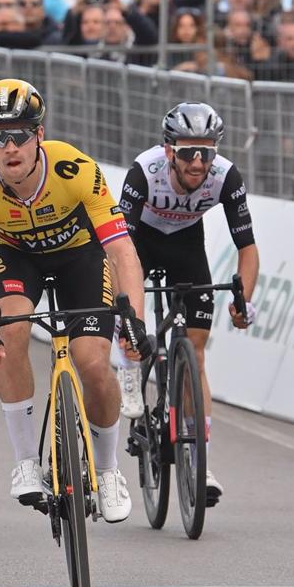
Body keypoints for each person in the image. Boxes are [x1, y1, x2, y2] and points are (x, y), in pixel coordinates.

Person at [0, 79, 149, 523]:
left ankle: (109, 468)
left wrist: (133, 316)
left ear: (39, 135)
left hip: (80, 255)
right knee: (11, 330)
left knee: (93, 361)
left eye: (20, 134)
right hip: (16, 258)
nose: (10, 147)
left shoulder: (75, 169)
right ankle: (26, 460)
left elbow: (121, 251)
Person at [116, 102, 260, 505]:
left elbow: (247, 247)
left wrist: (243, 301)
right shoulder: (144, 172)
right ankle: (128, 366)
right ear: (169, 151)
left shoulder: (225, 177)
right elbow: (118, 248)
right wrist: (129, 317)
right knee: (129, 310)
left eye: (206, 152)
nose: (197, 162)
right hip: (139, 242)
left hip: (185, 246)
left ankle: (201, 460)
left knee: (195, 354)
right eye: (187, 152)